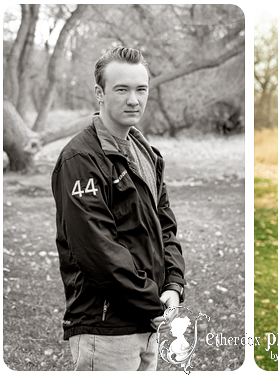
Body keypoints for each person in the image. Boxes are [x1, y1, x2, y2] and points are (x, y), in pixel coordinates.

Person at [51, 46, 186, 371]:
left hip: (148, 321)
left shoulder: (147, 153)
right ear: (100, 93)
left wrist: (173, 285)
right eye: (122, 89)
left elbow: (164, 227)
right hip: (105, 327)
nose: (133, 100)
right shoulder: (81, 159)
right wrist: (151, 303)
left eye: (141, 89)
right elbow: (96, 251)